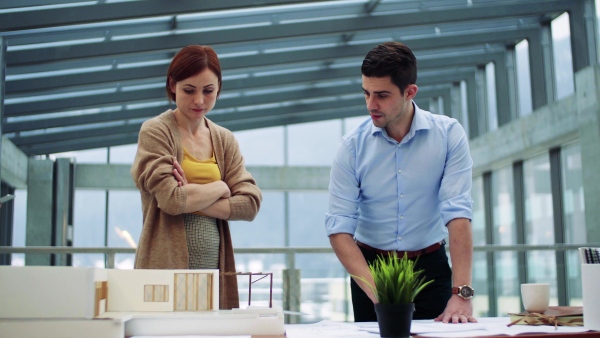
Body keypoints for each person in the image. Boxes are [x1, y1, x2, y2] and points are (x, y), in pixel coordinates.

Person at [325, 42, 476, 324]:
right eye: (366, 93)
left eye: (382, 95)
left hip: (430, 267)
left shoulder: (448, 135)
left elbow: (458, 212)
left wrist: (462, 292)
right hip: (371, 268)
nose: (371, 105)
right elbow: (339, 228)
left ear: (410, 92)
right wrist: (379, 293)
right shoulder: (351, 147)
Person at [131, 45, 262, 310]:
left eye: (208, 91)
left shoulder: (224, 139)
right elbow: (171, 201)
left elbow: (249, 205)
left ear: (219, 88)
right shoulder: (156, 131)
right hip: (163, 268)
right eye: (189, 90)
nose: (199, 101)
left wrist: (191, 193)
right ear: (172, 85)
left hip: (214, 272)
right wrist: (221, 186)